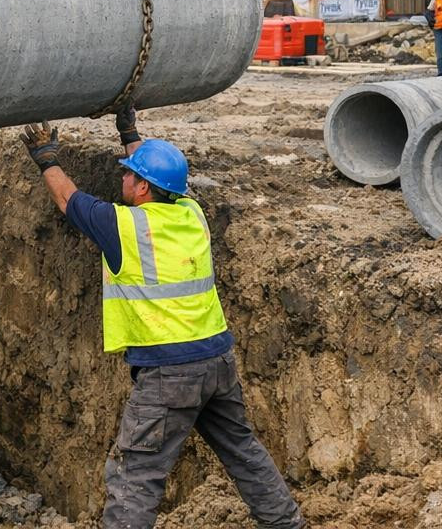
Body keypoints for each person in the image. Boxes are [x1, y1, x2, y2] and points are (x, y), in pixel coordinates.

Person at [20, 109, 305, 529]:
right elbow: (161, 178)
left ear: (142, 187)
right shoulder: (191, 213)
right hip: (216, 360)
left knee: (135, 473)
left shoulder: (122, 227)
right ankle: (286, 524)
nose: (121, 177)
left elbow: (68, 199)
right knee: (242, 450)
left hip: (168, 374)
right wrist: (129, 132)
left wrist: (47, 159)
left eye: (128, 173)